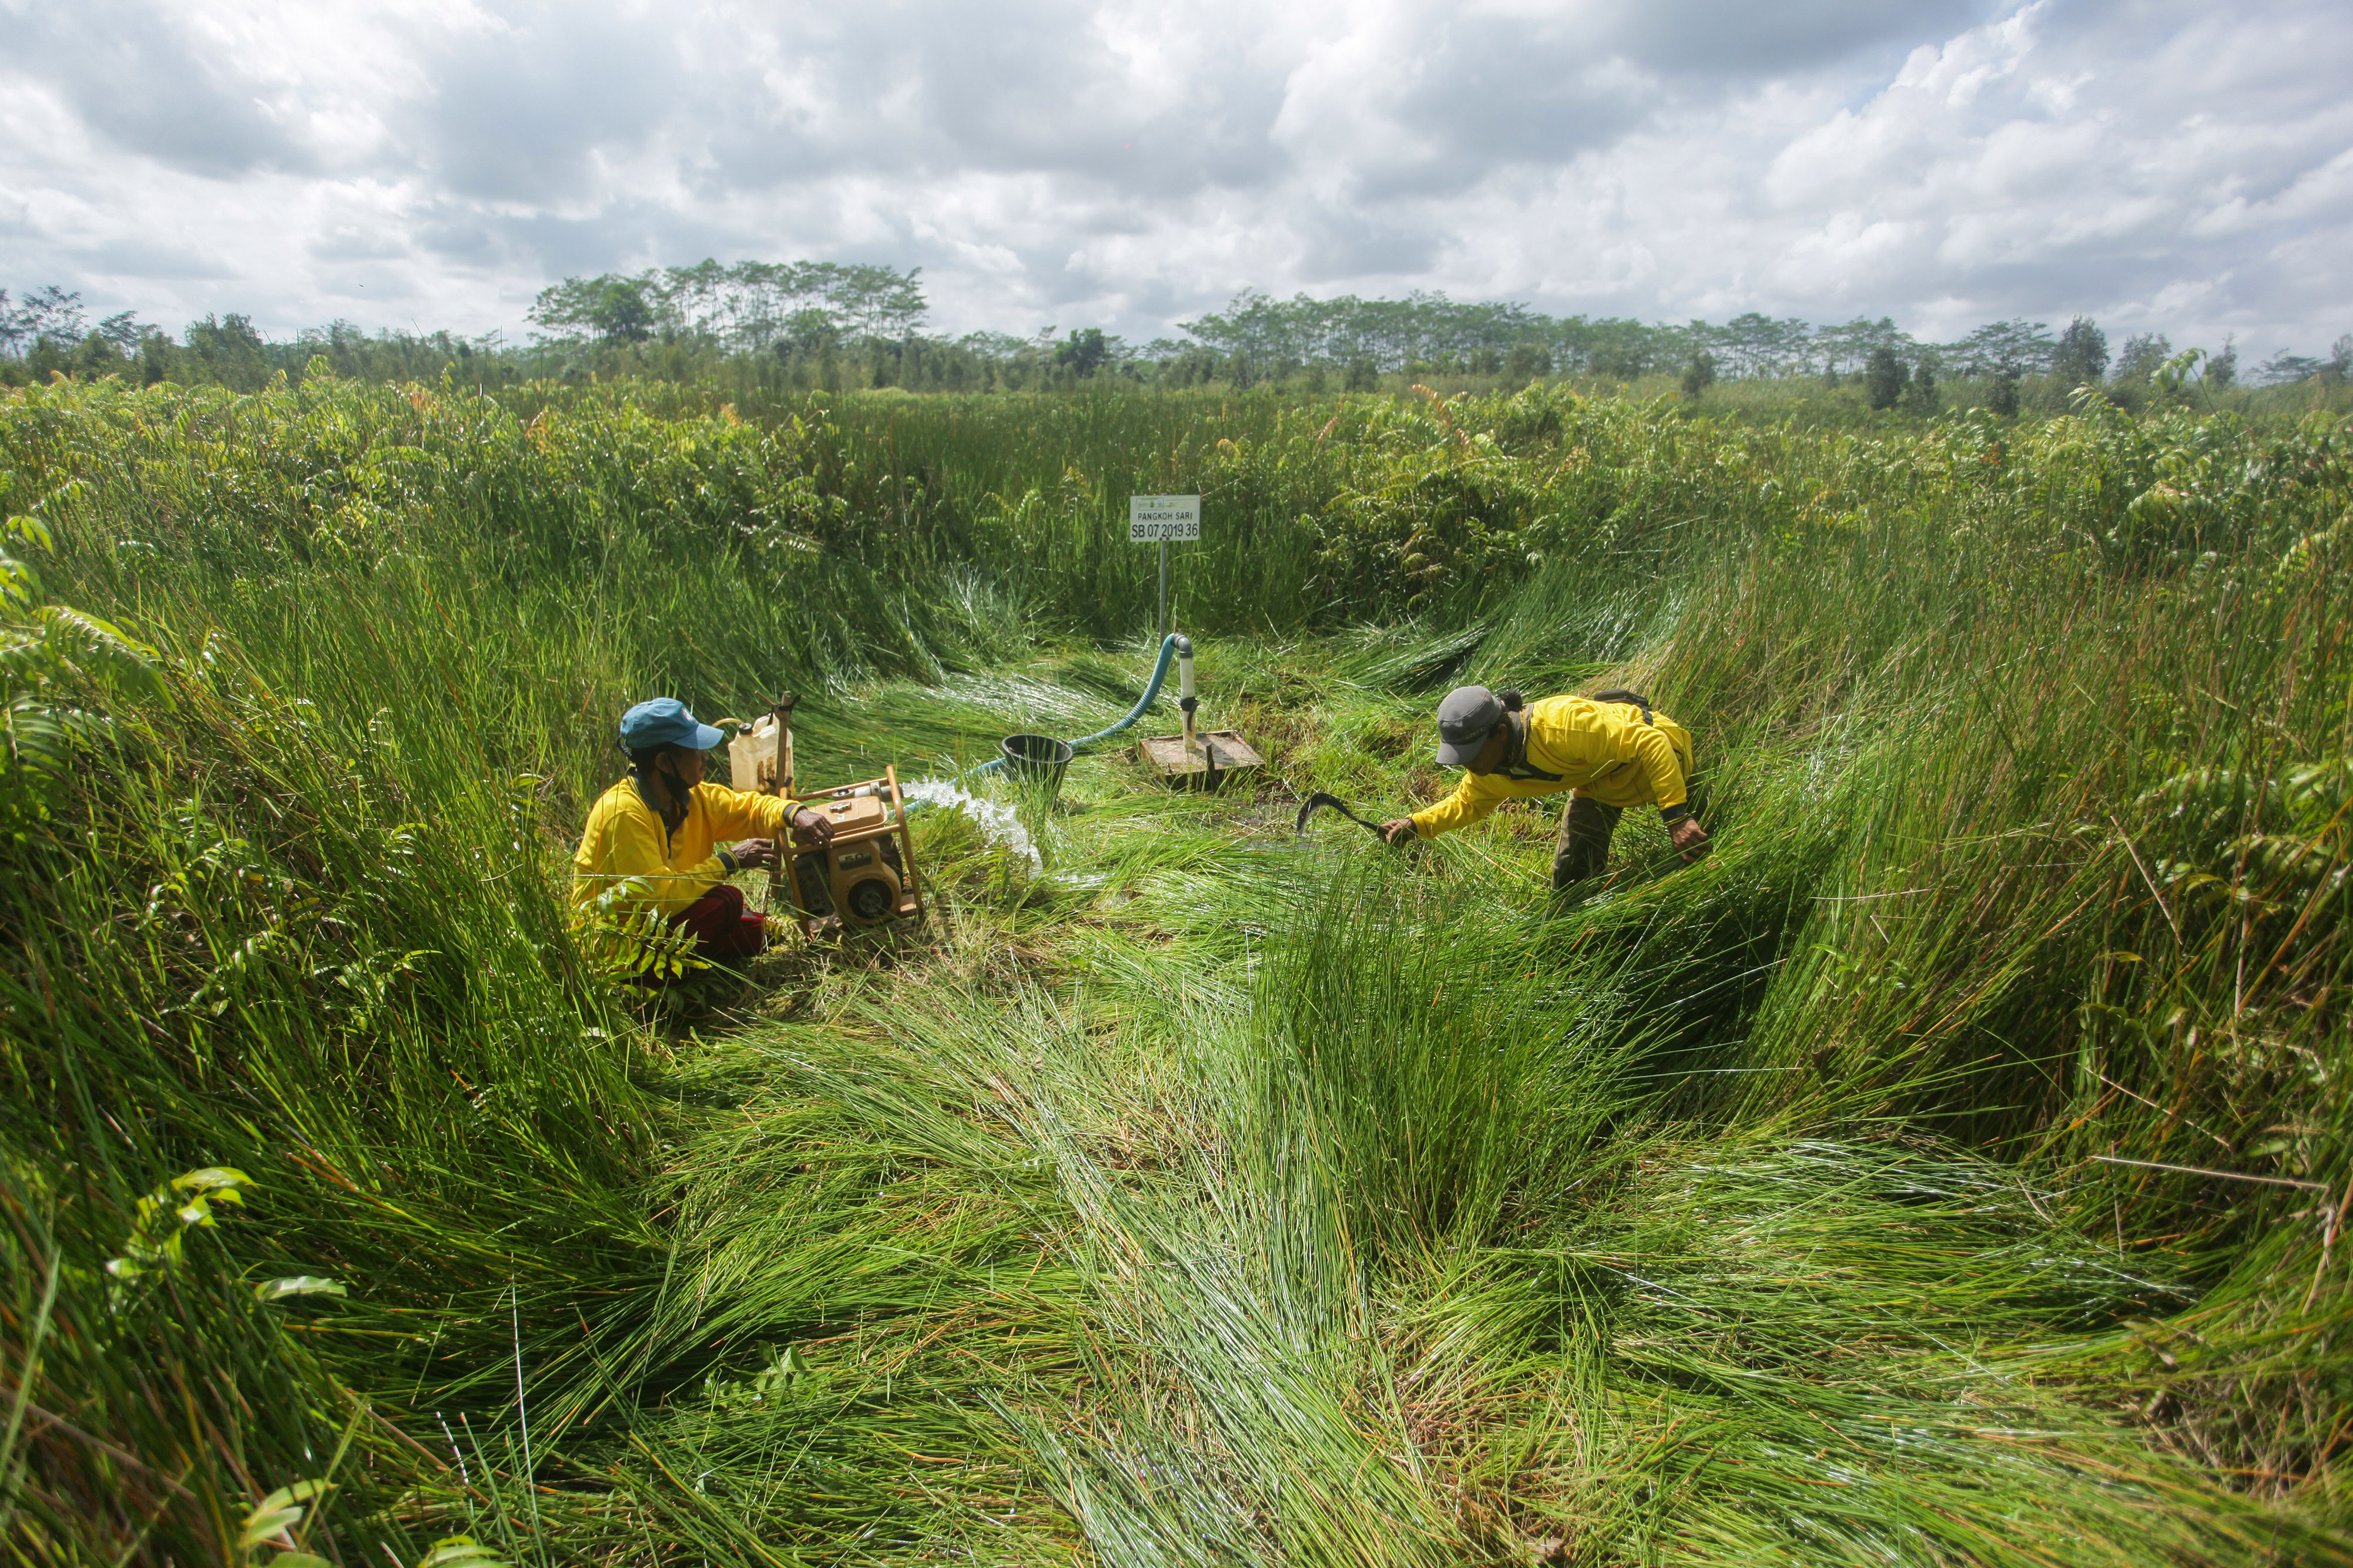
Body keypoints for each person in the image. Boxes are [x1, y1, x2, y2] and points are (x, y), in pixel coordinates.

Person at [572, 697, 833, 965]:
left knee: (761, 933)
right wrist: (729, 861)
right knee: (725, 902)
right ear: (664, 762)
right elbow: (657, 901)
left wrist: (794, 814)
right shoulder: (624, 813)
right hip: (617, 951)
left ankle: (718, 955)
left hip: (668, 924)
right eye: (695, 748)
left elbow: (750, 808)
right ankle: (675, 985)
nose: (705, 755)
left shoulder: (692, 796)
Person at [1381, 685, 1710, 893]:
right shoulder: (1490, 766)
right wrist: (1416, 825)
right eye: (1459, 758)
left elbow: (1649, 743)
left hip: (1666, 758)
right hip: (1598, 781)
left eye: (1471, 755)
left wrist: (1676, 817)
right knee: (1571, 885)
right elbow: (1468, 802)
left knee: (1701, 846)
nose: (1468, 766)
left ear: (1499, 733)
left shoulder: (1560, 726)